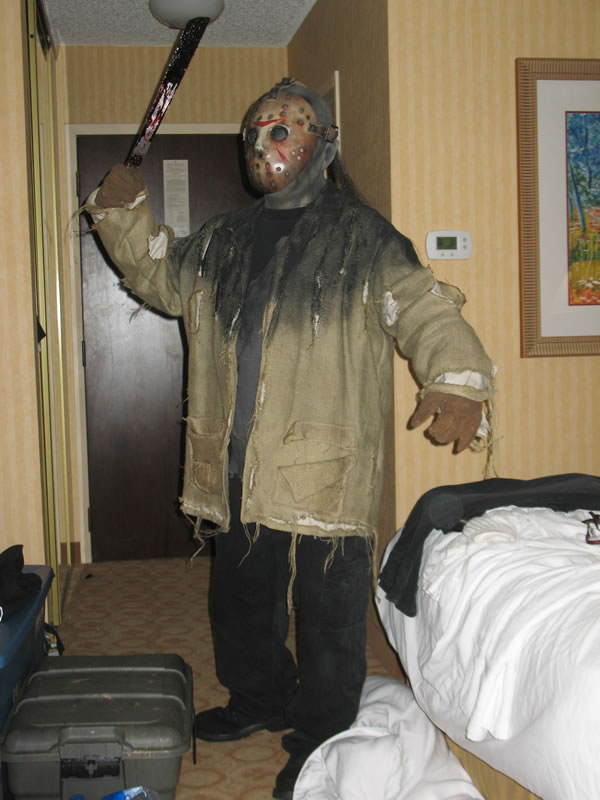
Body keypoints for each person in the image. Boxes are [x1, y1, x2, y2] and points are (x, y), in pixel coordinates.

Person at [85, 77, 495, 800]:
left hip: (322, 471)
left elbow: (423, 307)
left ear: (324, 145)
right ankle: (259, 698)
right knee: (240, 602)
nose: (263, 143)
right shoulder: (223, 238)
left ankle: (319, 737)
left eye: (282, 130)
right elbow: (160, 277)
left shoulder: (362, 237)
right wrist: (122, 212)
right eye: (255, 132)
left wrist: (457, 380)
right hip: (235, 466)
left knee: (329, 619)